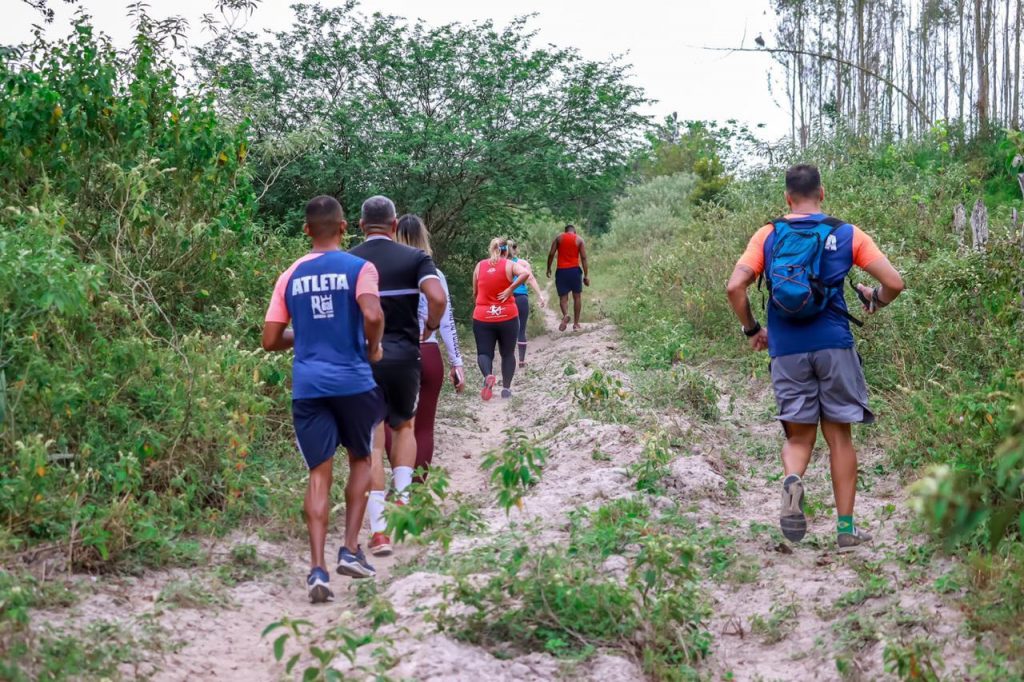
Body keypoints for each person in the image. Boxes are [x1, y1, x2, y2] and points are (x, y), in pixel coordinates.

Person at [725, 164, 904, 551]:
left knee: (799, 437)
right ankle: (845, 529)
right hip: (834, 345)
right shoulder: (846, 233)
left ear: (787, 197)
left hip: (787, 350)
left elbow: (734, 286)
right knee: (839, 437)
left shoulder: (768, 234)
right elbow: (895, 282)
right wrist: (875, 299)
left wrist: (753, 330)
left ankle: (793, 480)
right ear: (821, 194)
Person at [262, 195, 386, 601]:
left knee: (319, 473)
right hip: (353, 382)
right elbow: (372, 315)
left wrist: (310, 334)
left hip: (309, 387)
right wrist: (374, 347)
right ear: (345, 228)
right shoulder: (360, 268)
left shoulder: (290, 274)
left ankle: (317, 570)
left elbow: (270, 339)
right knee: (362, 459)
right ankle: (349, 549)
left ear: (306, 230)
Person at [349, 197, 447, 558]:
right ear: (394, 225)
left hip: (364, 358)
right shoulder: (415, 259)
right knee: (404, 426)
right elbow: (437, 297)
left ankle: (379, 533)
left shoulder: (349, 260)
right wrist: (430, 325)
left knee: (373, 441)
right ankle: (403, 500)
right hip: (406, 355)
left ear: (361, 225)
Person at [384, 214, 466, 488]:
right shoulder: (434, 274)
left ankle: (400, 483)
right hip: (428, 352)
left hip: (393, 352)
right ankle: (416, 490)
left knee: (389, 423)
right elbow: (447, 321)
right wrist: (457, 363)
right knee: (423, 427)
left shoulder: (384, 271)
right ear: (424, 237)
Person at [473, 238, 530, 400]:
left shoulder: (479, 266)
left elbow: (475, 292)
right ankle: (506, 389)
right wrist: (511, 289)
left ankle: (488, 376)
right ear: (506, 251)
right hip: (507, 316)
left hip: (483, 316)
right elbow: (525, 273)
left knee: (484, 352)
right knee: (507, 353)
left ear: (491, 249)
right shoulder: (510, 265)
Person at [506, 239, 546, 366]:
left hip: (507, 298)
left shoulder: (501, 263)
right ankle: (522, 360)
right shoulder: (523, 263)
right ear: (516, 249)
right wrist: (540, 295)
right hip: (522, 298)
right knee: (521, 329)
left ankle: (509, 358)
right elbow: (531, 278)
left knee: (507, 330)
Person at [546, 224, 589, 331]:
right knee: (577, 297)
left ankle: (565, 315)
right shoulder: (579, 239)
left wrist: (548, 268)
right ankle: (576, 324)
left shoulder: (559, 238)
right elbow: (583, 258)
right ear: (574, 231)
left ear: (565, 231)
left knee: (563, 298)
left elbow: (551, 254)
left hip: (561, 271)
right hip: (574, 271)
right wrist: (586, 275)